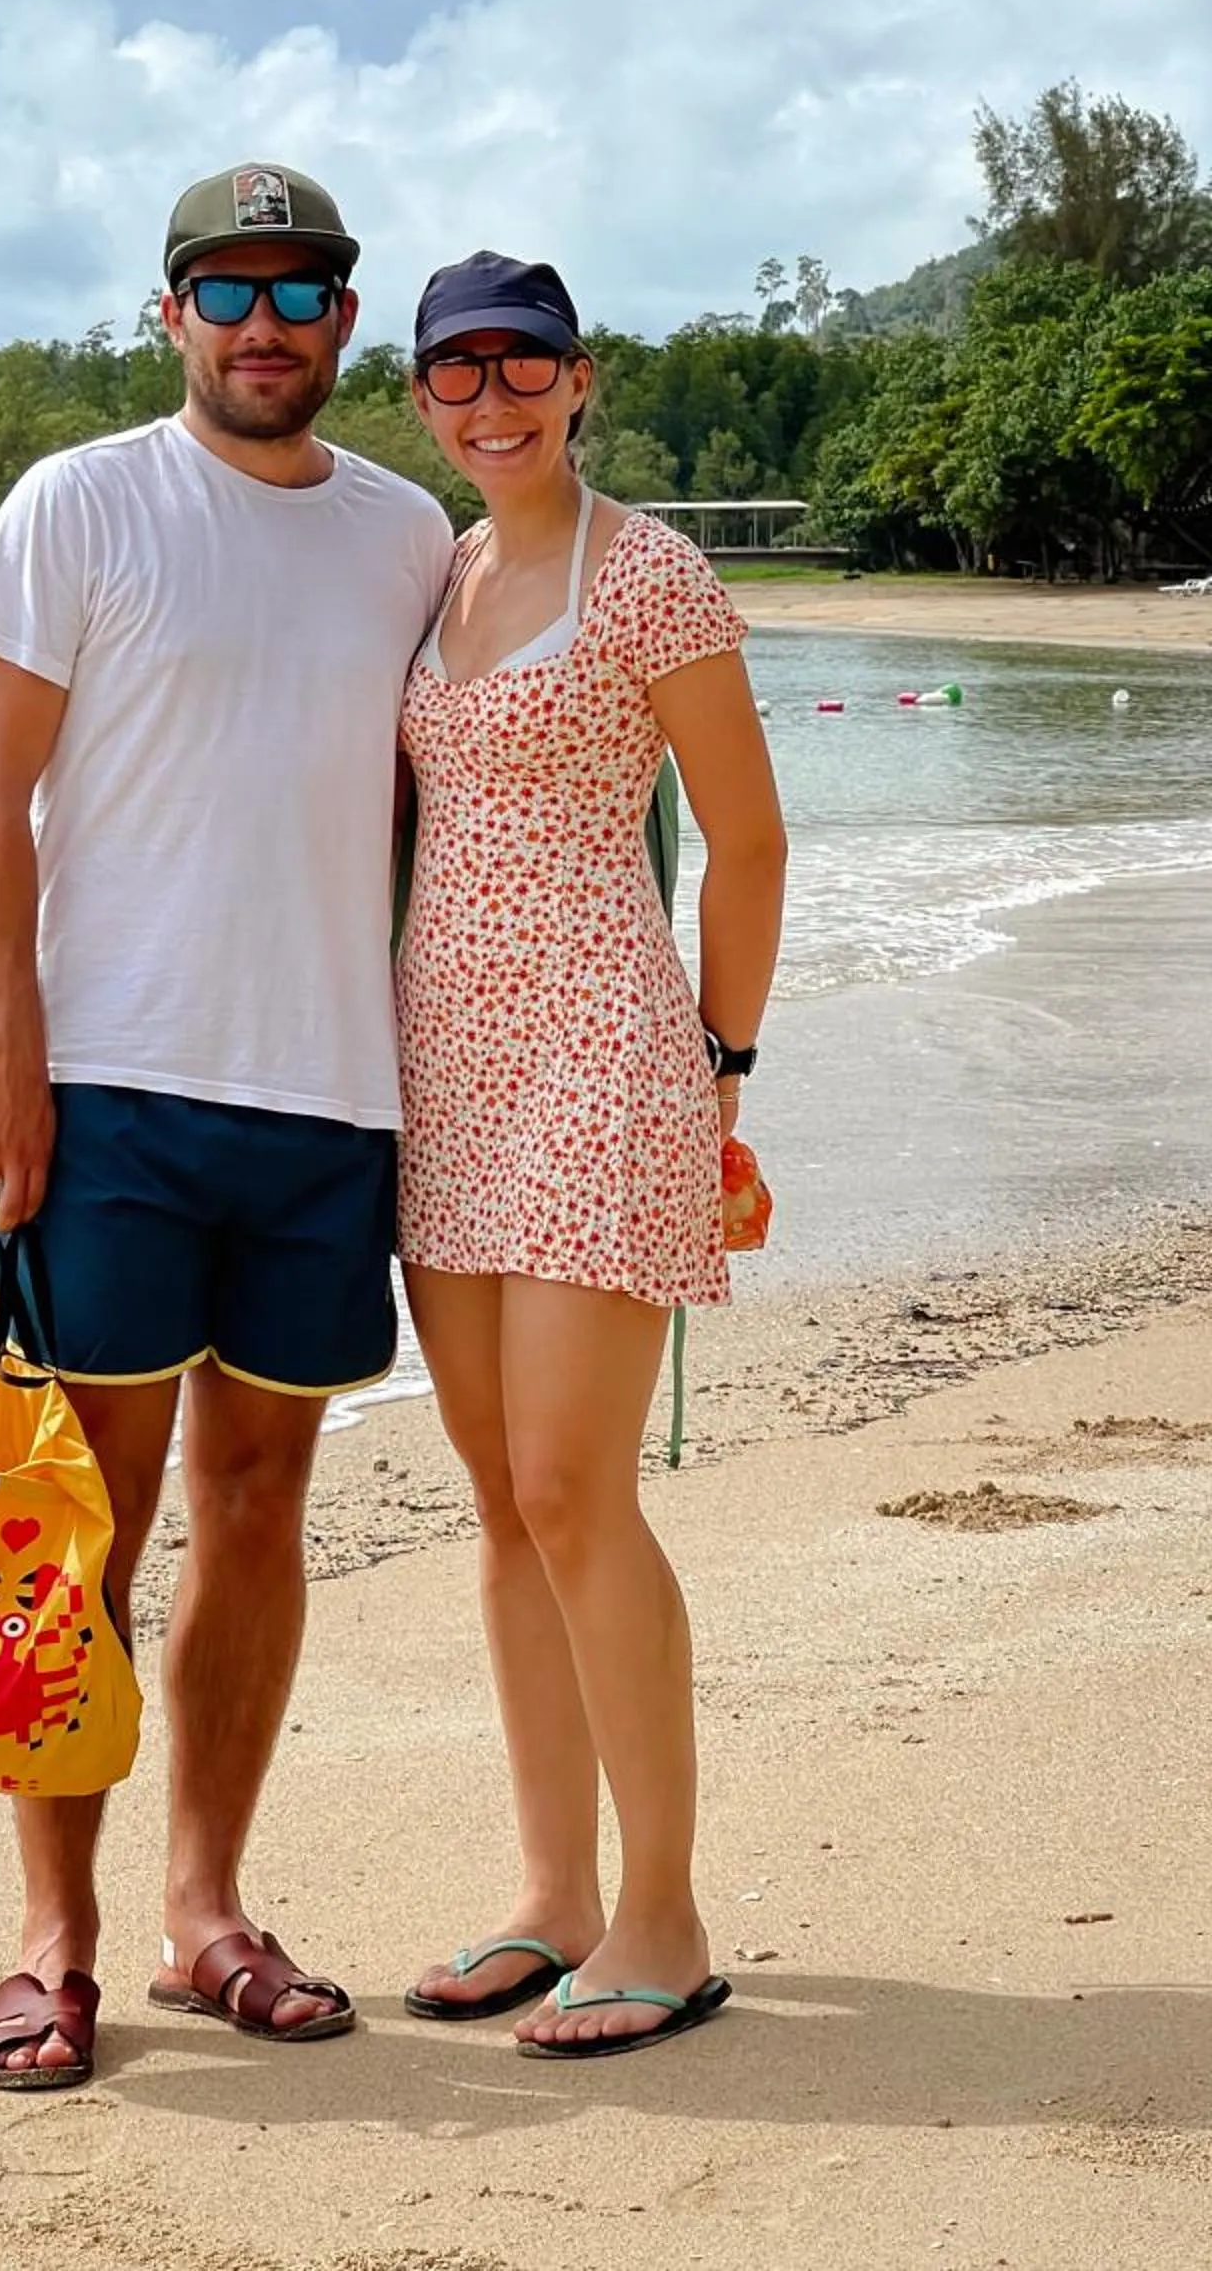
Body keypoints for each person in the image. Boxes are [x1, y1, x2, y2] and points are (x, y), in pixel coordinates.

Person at [0, 162, 454, 2093]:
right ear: (171, 317)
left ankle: (203, 1912)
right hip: (120, 1099)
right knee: (83, 1521)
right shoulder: (78, 503)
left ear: (344, 322)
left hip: (334, 1094)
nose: (265, 325)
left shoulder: (412, 538)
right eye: (227, 291)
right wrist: (11, 1060)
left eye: (302, 291)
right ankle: (51, 1937)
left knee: (261, 1510)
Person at [391, 253, 786, 2059]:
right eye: (457, 377)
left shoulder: (650, 572)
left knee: (574, 1487)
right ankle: (552, 1899)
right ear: (421, 401)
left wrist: (720, 1075)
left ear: (580, 379)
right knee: (495, 1497)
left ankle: (666, 1916)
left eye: (522, 369)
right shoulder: (440, 570)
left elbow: (748, 838)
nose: (494, 402)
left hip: (607, 1058)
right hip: (444, 1068)